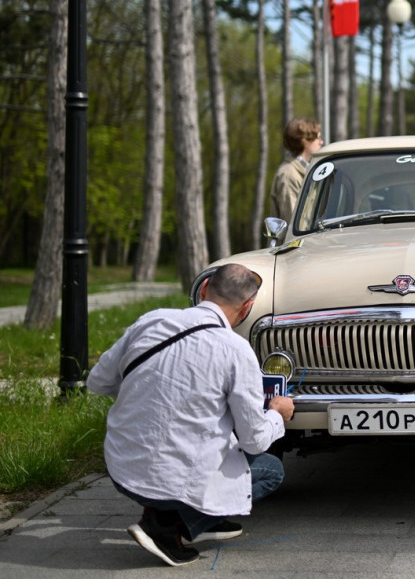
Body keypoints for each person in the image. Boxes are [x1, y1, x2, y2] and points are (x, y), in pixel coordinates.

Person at [87, 264, 295, 567]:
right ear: (248, 306)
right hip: (166, 477)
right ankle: (167, 526)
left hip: (120, 466)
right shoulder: (236, 349)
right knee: (270, 469)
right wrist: (278, 414)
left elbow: (97, 381)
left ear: (204, 287)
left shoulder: (152, 320)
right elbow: (255, 441)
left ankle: (194, 521)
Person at [270, 118, 323, 222]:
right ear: (305, 141)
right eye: (318, 138)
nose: (321, 142)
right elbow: (293, 223)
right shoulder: (288, 175)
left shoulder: (306, 170)